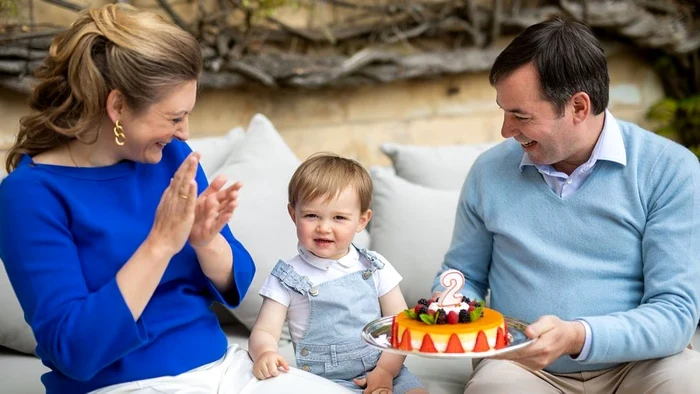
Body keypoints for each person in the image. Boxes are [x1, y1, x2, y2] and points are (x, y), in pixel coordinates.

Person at [0, 4, 357, 394]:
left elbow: (237, 279)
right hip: (121, 385)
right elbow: (75, 351)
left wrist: (205, 241)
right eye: (173, 118)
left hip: (223, 368)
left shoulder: (171, 157)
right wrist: (159, 244)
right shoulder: (30, 196)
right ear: (117, 107)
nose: (184, 132)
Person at [432, 17, 700, 393]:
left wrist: (578, 336)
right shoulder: (488, 171)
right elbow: (465, 275)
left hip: (641, 367)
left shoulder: (670, 169)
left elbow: (675, 311)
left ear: (577, 107)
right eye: (504, 111)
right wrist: (448, 302)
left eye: (521, 116)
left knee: (691, 380)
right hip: (522, 368)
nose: (506, 131)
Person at [249, 153, 427, 394]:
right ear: (293, 215)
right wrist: (265, 353)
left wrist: (385, 372)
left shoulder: (374, 267)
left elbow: (401, 327)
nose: (324, 227)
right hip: (323, 382)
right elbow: (264, 331)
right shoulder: (287, 277)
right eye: (311, 215)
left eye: (339, 218)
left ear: (362, 220)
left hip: (386, 368)